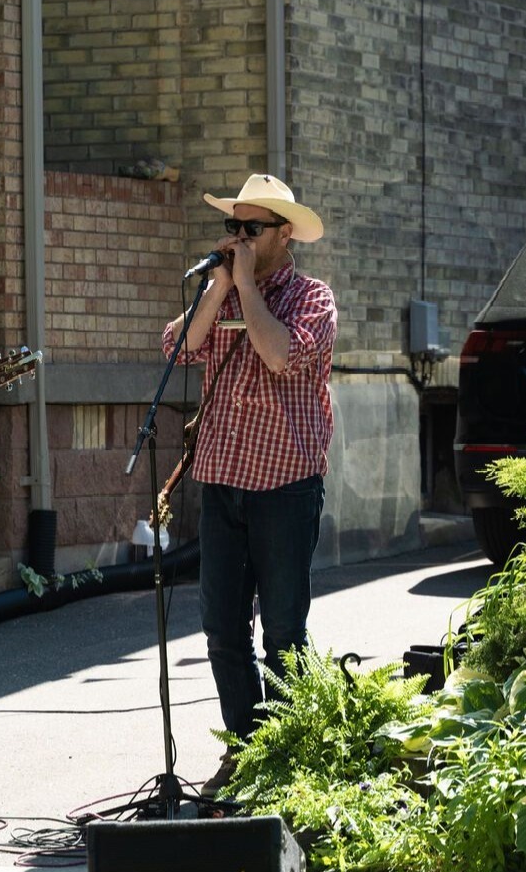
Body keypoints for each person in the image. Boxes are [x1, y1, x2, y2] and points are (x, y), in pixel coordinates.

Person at [160, 174, 335, 796]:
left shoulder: (312, 298)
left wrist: (247, 291)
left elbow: (281, 354)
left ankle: (287, 759)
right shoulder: (224, 291)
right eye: (232, 227)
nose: (238, 237)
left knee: (284, 631)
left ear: (284, 235)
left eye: (251, 228)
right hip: (223, 483)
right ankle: (246, 749)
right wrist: (218, 287)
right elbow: (178, 349)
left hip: (285, 485)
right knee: (222, 630)